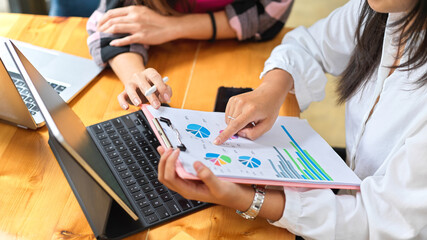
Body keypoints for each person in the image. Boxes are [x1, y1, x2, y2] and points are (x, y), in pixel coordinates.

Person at [157, 0, 427, 238]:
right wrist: (271, 90)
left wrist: (248, 199)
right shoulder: (381, 8)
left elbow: (377, 221)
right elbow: (309, 45)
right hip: (346, 197)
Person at [87, 0, 294, 110]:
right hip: (172, 55)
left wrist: (173, 27)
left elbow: (269, 14)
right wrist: (136, 76)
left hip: (244, 54)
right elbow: (107, 27)